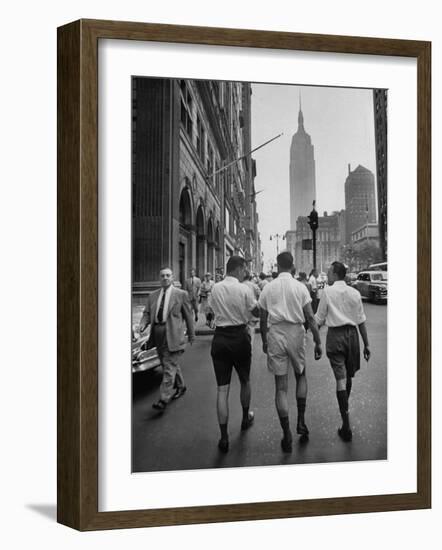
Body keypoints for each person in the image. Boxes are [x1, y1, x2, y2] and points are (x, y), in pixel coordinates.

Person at [259, 252, 322, 453]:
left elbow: (262, 319)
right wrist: (318, 342)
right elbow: (311, 318)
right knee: (301, 375)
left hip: (275, 333)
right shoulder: (300, 287)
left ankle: (286, 433)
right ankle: (301, 421)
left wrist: (264, 340)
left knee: (281, 387)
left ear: (277, 266)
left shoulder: (268, 288)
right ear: (292, 265)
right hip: (296, 333)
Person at [315, 261, 371, 442]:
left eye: (329, 272)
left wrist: (312, 336)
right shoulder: (355, 293)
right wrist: (366, 345)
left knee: (340, 378)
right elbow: (361, 320)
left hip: (335, 337)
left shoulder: (327, 292)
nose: (328, 275)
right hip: (352, 336)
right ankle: (345, 411)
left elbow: (319, 318)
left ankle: (346, 424)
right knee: (348, 377)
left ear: (335, 274)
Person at [208, 256, 259, 453]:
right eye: (244, 268)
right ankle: (245, 418)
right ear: (237, 269)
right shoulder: (244, 289)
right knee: (245, 380)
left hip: (220, 338)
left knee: (222, 389)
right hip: (239, 337)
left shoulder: (215, 288)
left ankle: (223, 437)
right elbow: (255, 312)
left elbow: (211, 311)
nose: (245, 272)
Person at [139, 267, 195, 412]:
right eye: (162, 275)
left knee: (169, 367)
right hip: (157, 334)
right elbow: (147, 313)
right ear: (159, 278)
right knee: (167, 364)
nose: (165, 278)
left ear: (172, 277)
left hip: (174, 334)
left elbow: (188, 316)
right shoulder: (152, 295)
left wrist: (191, 334)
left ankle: (163, 399)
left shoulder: (181, 294)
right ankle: (181, 386)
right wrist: (142, 324)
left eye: (168, 275)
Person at [242, 269, 261, 346]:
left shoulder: (239, 285)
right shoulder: (253, 285)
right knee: (250, 333)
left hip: (241, 313)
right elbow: (260, 295)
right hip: (252, 312)